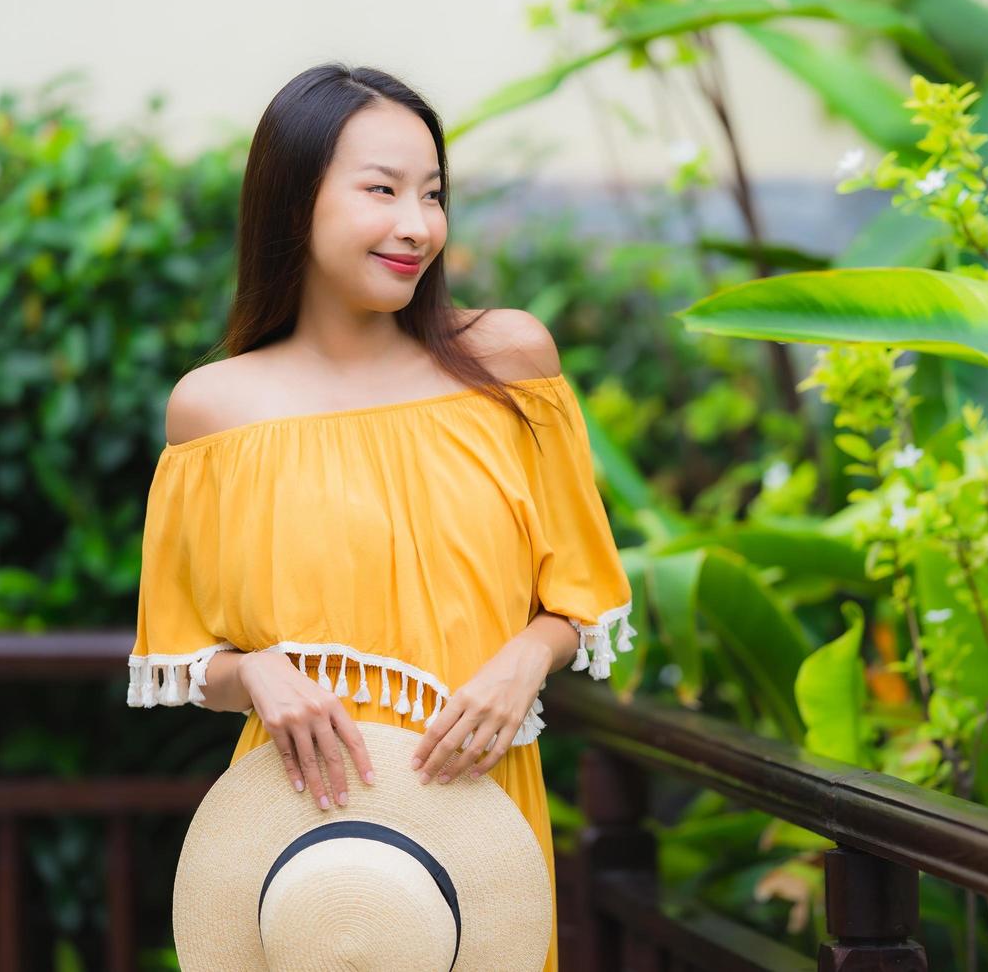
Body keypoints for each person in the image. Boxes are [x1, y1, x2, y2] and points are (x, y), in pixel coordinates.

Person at [126, 62, 636, 972]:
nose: (417, 225)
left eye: (432, 194)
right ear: (293, 204)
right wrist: (258, 677)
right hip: (301, 835)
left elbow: (582, 597)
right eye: (382, 190)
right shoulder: (214, 410)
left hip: (476, 808)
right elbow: (183, 659)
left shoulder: (509, 361)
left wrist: (527, 656)